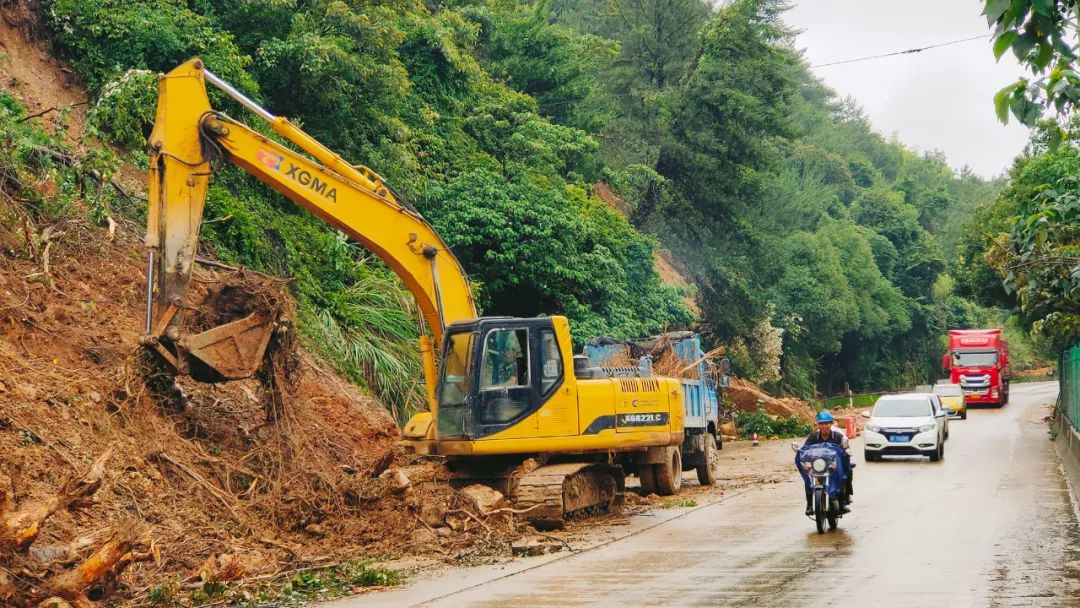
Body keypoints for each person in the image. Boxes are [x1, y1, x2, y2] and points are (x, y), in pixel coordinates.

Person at [801, 410, 853, 515]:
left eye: (826, 423)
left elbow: (846, 448)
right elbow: (805, 450)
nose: (824, 426)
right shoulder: (813, 436)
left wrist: (847, 454)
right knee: (808, 481)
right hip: (818, 465)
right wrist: (806, 463)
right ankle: (810, 505)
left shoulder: (838, 436)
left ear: (831, 424)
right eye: (821, 423)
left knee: (848, 472)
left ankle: (844, 500)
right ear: (818, 424)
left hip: (833, 465)